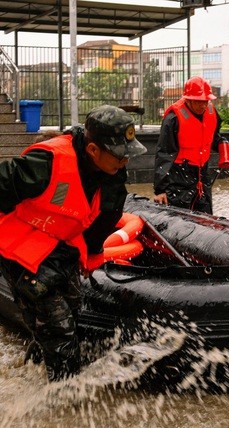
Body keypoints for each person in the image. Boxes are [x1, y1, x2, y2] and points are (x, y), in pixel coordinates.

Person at [0, 105, 146, 381]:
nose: (125, 161)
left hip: (61, 247)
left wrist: (92, 254)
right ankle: (64, 402)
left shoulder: (113, 171)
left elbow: (107, 215)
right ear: (93, 150)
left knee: (72, 308)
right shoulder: (47, 162)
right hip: (23, 252)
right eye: (119, 155)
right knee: (59, 330)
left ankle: (34, 370)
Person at [153, 76, 228, 214]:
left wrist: (222, 145)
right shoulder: (173, 119)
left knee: (205, 214)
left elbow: (213, 137)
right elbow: (164, 154)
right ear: (187, 99)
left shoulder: (212, 113)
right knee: (179, 217)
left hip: (201, 173)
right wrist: (160, 190)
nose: (203, 105)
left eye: (206, 101)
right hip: (178, 175)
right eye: (198, 102)